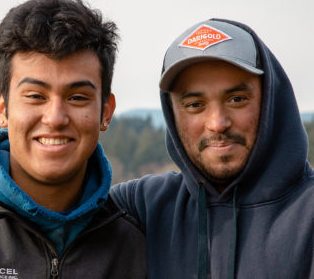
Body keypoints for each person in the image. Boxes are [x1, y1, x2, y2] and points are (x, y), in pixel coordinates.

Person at [0, 0, 146, 278]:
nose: (54, 118)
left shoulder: (136, 242)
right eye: (35, 96)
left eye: (77, 97)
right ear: (2, 109)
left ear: (106, 111)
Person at [111, 19, 314, 278]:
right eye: (195, 104)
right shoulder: (143, 207)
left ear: (270, 100)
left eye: (237, 99)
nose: (218, 123)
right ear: (171, 114)